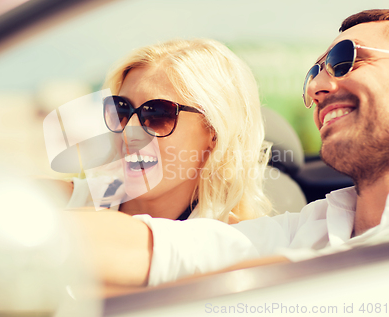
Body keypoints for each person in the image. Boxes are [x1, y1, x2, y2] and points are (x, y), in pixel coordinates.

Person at [64, 9, 389, 287]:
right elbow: (147, 251)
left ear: (215, 133)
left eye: (345, 58)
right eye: (120, 110)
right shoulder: (304, 231)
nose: (316, 87)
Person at [66, 39, 272, 223]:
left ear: (214, 131)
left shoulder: (236, 246)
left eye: (157, 115)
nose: (128, 132)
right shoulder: (66, 203)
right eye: (120, 109)